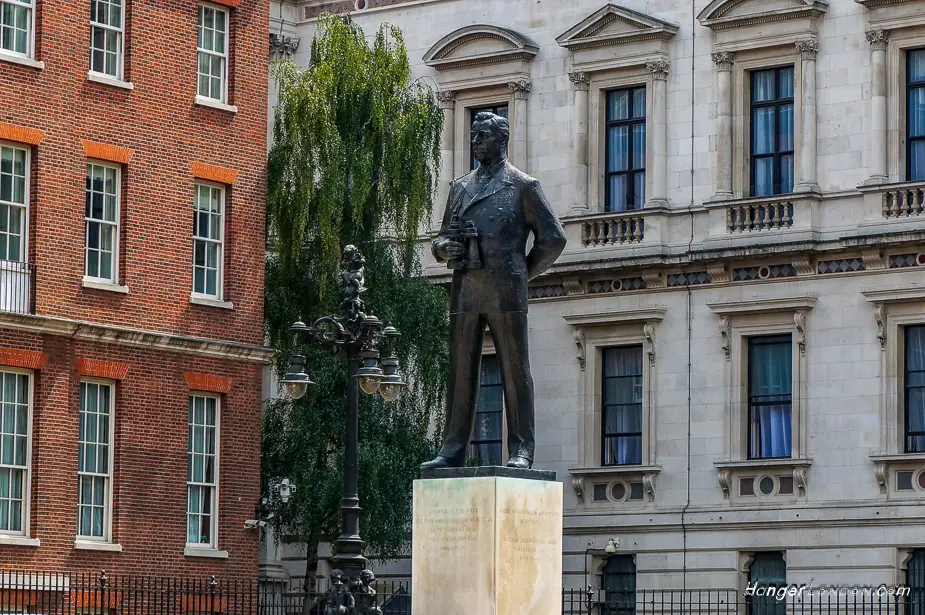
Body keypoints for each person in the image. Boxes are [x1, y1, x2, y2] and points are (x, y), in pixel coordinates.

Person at [421, 111, 566, 470]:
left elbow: (553, 238)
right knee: (460, 369)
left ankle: (521, 449)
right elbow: (441, 237)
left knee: (514, 369)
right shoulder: (460, 187)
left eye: (482, 136)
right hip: (466, 288)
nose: (475, 142)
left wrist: (522, 272)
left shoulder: (522, 185)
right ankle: (452, 447)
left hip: (506, 290)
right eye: (473, 136)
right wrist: (443, 249)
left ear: (501, 140)